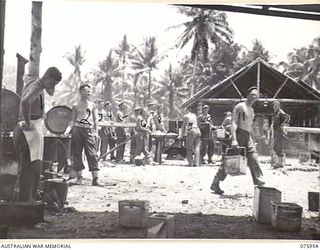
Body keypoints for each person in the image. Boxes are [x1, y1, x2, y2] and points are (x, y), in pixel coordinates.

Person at [13, 67, 62, 202]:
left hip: (31, 126)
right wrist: (28, 122)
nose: (52, 87)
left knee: (27, 167)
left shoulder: (36, 84)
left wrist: (50, 89)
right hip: (29, 127)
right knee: (31, 167)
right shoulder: (36, 86)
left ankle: (26, 200)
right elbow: (25, 102)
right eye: (52, 83)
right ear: (45, 78)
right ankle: (26, 201)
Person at [210, 86, 265, 194]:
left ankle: (260, 184)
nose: (254, 97)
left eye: (256, 95)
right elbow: (234, 123)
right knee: (230, 160)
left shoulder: (252, 110)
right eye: (253, 94)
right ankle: (215, 182)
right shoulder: (240, 106)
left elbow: (250, 127)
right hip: (238, 134)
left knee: (253, 159)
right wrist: (234, 139)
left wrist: (253, 140)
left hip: (247, 136)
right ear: (248, 94)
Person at [64, 83, 102, 186]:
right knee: (77, 153)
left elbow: (95, 120)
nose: (89, 92)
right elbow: (72, 121)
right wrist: (67, 131)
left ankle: (96, 178)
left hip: (88, 130)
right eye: (86, 90)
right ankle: (79, 177)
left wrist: (96, 132)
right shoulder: (75, 106)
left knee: (92, 154)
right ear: (81, 92)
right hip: (77, 129)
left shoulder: (93, 105)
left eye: (89, 90)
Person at [268, 100, 290, 169]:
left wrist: (282, 126)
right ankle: (278, 162)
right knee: (276, 146)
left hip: (279, 132)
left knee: (279, 146)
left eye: (276, 106)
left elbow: (287, 118)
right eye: (274, 106)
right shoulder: (276, 113)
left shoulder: (281, 112)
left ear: (279, 106)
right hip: (275, 132)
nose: (275, 107)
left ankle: (280, 163)